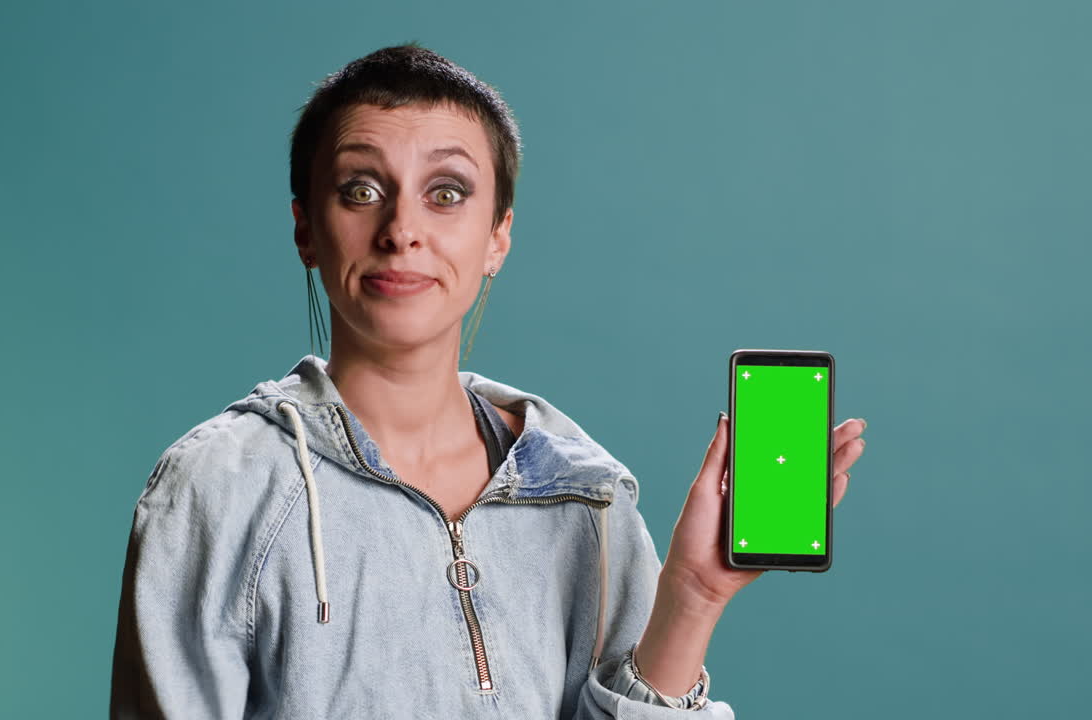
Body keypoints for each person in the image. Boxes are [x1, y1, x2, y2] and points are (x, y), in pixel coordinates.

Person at [109, 44, 867, 719]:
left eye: (446, 193)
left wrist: (693, 598)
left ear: (498, 235)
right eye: (362, 190)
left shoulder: (587, 497)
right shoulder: (217, 489)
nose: (402, 229)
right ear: (306, 228)